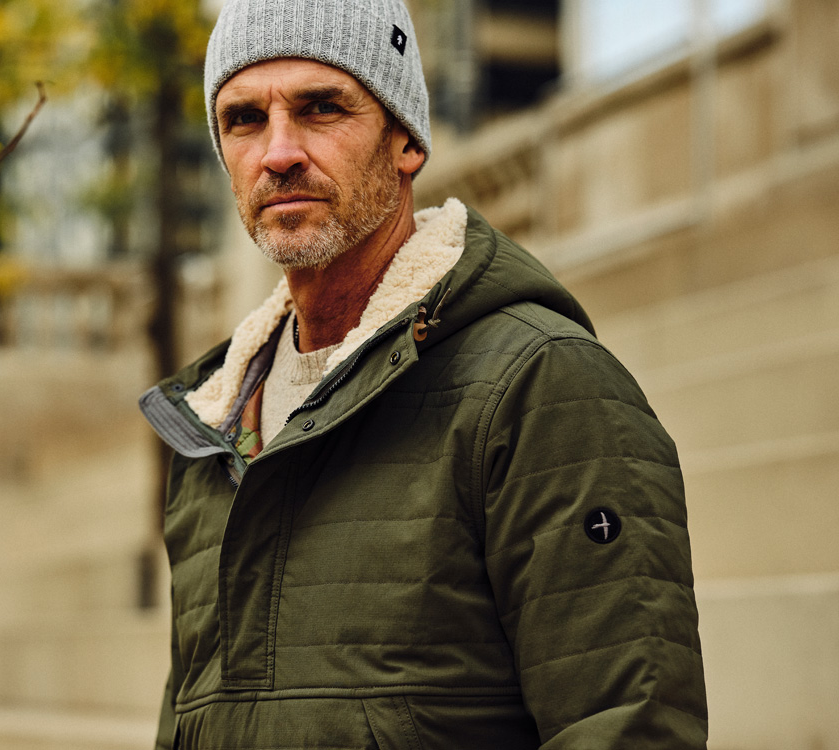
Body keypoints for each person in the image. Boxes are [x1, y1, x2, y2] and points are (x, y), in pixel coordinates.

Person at [139, 0, 708, 747]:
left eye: (320, 108)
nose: (278, 153)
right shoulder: (210, 428)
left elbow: (628, 724)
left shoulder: (541, 383)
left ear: (405, 139)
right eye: (244, 119)